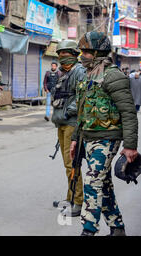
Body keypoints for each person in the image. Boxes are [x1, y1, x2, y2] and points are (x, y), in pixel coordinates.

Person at [71, 31, 139, 236]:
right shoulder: (88, 76)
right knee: (104, 185)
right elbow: (82, 111)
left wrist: (130, 146)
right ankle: (117, 227)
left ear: (97, 52)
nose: (82, 55)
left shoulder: (113, 76)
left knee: (93, 182)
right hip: (88, 138)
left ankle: (88, 230)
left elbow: (128, 112)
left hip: (108, 139)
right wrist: (75, 139)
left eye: (86, 52)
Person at [50, 40, 86, 217]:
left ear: (73, 53)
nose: (61, 57)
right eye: (59, 54)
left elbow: (82, 98)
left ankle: (77, 201)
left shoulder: (79, 71)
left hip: (71, 123)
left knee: (72, 163)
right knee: (67, 164)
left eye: (65, 54)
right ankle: (70, 196)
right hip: (62, 123)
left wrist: (67, 112)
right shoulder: (64, 72)